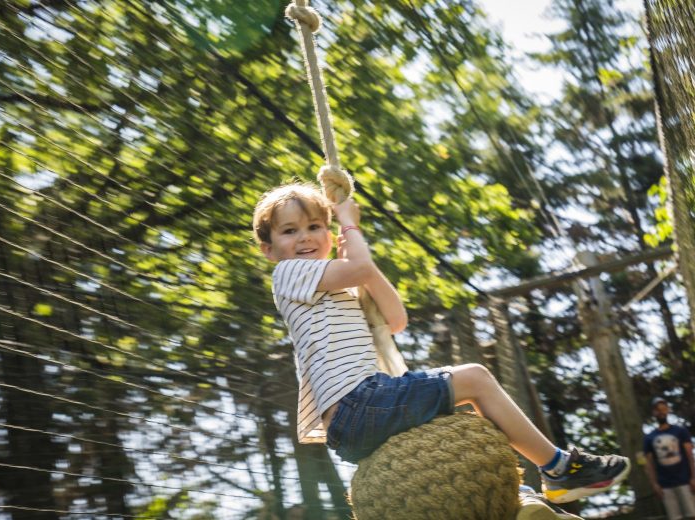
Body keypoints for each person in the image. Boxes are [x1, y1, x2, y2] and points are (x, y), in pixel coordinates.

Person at [253, 182, 631, 504]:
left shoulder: (338, 284)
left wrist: (356, 259)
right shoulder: (288, 274)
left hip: (360, 412)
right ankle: (559, 468)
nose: (304, 237)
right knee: (476, 380)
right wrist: (351, 226)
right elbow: (362, 269)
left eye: (315, 226)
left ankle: (515, 493)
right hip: (358, 403)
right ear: (269, 250)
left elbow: (396, 318)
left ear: (326, 233)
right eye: (289, 231)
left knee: (459, 413)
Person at [644, 397, 695, 520]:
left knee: (693, 515)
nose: (661, 412)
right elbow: (649, 464)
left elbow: (690, 455)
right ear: (654, 413)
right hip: (665, 485)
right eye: (658, 410)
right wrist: (654, 484)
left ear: (668, 410)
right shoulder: (649, 438)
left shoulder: (680, 431)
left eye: (664, 409)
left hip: (684, 481)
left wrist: (693, 478)